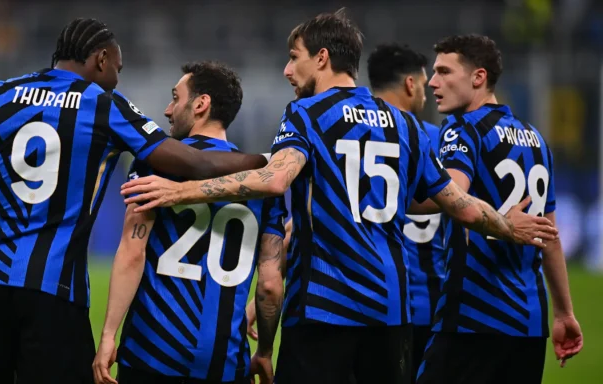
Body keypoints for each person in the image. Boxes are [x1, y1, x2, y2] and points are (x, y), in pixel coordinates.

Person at [120, 10, 557, 384]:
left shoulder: (307, 114)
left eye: (295, 59)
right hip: (393, 315)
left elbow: (275, 180)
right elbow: (455, 203)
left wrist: (182, 189)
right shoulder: (403, 123)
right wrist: (505, 224)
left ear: (323, 58)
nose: (288, 72)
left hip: (325, 309)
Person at [0, 18, 268, 384]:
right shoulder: (104, 106)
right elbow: (195, 161)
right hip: (55, 291)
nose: (117, 78)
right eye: (117, 68)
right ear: (101, 59)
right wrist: (267, 162)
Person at [92, 61, 286, 384]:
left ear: (201, 104)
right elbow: (269, 284)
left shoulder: (156, 163)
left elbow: (132, 252)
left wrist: (109, 334)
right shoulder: (262, 184)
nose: (168, 110)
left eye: (175, 97)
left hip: (152, 356)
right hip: (225, 364)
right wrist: (264, 351)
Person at [414, 34, 583, 384]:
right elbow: (549, 236)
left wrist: (388, 197)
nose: (433, 82)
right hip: (528, 325)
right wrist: (564, 313)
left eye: (445, 72)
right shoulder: (536, 139)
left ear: (478, 77)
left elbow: (451, 194)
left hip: (473, 318)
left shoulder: (462, 130)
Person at [366, 43, 445, 380]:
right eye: (425, 85)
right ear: (410, 84)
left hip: (367, 302)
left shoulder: (353, 135)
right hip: (430, 304)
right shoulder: (435, 138)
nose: (427, 95)